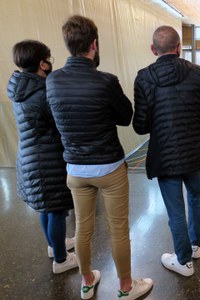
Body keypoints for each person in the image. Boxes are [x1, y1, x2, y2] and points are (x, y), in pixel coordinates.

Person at [46, 15, 153, 299]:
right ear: (94, 44)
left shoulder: (53, 81)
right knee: (118, 229)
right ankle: (126, 288)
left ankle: (87, 281)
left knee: (83, 228)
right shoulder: (106, 81)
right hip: (109, 168)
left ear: (68, 45)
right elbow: (126, 116)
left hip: (76, 170)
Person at [132, 26, 200, 277]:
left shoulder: (143, 78)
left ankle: (183, 260)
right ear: (179, 46)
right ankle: (196, 244)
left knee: (175, 209)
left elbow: (140, 125)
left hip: (165, 155)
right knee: (195, 197)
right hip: (195, 151)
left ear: (153, 49)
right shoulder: (199, 73)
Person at [7, 40, 77, 275]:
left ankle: (54, 245)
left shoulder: (22, 87)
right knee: (56, 209)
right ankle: (61, 259)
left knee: (47, 208)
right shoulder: (42, 92)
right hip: (46, 159)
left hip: (30, 158)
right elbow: (60, 123)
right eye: (48, 59)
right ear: (42, 63)